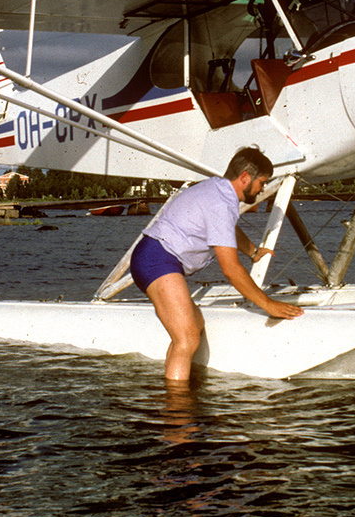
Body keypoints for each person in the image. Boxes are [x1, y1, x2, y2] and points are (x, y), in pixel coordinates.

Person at [129, 147, 303, 386]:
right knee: (187, 339)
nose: (263, 189)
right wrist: (268, 304)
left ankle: (169, 385)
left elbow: (227, 228)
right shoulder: (221, 203)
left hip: (156, 256)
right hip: (157, 259)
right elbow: (230, 269)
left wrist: (253, 251)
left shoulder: (218, 190)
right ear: (244, 177)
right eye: (261, 182)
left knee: (194, 328)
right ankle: (177, 411)